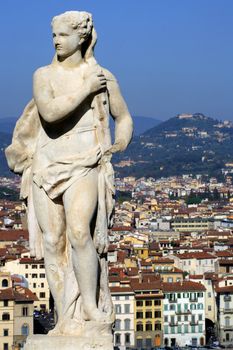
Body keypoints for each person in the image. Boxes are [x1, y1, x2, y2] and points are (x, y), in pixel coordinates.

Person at [5, 11, 133, 336]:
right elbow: (49, 113)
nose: (56, 41)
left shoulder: (102, 76)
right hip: (46, 166)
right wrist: (85, 89)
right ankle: (65, 315)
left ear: (81, 37)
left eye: (62, 35)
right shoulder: (43, 76)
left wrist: (118, 143)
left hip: (85, 162)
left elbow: (124, 116)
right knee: (52, 242)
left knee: (79, 233)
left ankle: (88, 307)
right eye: (54, 36)